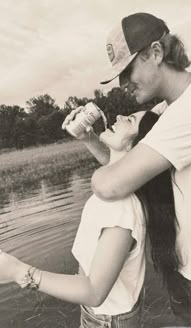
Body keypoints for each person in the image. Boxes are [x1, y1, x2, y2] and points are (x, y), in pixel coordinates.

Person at [89, 12, 191, 328]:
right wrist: (89, 139)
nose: (123, 84)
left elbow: (112, 184)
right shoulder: (168, 110)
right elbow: (128, 170)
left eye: (128, 71)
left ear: (156, 53)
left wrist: (99, 177)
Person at [0, 110, 179, 328]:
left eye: (129, 120)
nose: (119, 117)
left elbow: (94, 292)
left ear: (138, 148)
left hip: (107, 320)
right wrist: (88, 138)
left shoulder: (121, 208)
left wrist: (20, 272)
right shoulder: (116, 186)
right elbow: (113, 164)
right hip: (104, 315)